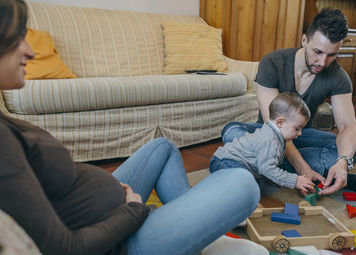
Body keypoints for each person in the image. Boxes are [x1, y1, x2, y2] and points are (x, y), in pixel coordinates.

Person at [0, 1, 269, 254]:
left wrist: (112, 191)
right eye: (17, 38)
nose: (30, 50)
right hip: (119, 242)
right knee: (243, 185)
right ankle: (194, 235)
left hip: (106, 209)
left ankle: (194, 231)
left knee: (162, 147)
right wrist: (132, 210)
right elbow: (66, 249)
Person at [221, 8, 356, 196]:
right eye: (318, 51)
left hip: (301, 135)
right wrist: (303, 168)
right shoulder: (272, 62)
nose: (322, 62)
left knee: (348, 153)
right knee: (232, 132)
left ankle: (261, 166)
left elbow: (348, 126)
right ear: (304, 40)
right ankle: (274, 167)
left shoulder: (339, 77)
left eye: (331, 55)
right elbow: (274, 126)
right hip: (267, 135)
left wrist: (342, 162)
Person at [210, 93, 316, 195]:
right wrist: (295, 180)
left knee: (263, 185)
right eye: (297, 128)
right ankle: (221, 188)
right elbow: (267, 169)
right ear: (280, 123)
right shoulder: (270, 140)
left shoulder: (273, 132)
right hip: (225, 163)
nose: (300, 133)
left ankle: (228, 183)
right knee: (248, 187)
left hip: (236, 164)